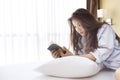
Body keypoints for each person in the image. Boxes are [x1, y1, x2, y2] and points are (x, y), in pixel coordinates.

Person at [51, 8, 120, 80]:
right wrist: (62, 57)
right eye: (75, 27)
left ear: (87, 21)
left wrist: (73, 57)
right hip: (113, 67)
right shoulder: (82, 39)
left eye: (79, 25)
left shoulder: (104, 28)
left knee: (118, 74)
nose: (77, 29)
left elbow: (103, 52)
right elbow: (83, 58)